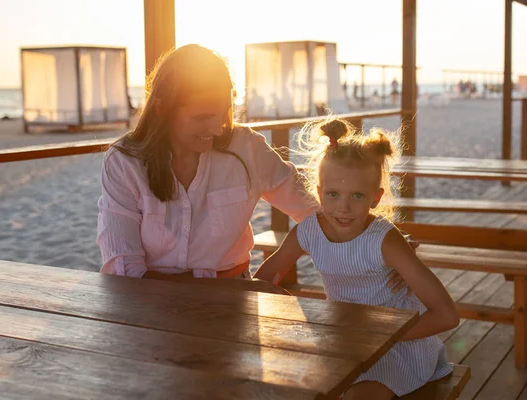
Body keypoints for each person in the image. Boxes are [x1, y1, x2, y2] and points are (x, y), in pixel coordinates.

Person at [96, 44, 414, 293]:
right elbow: (126, 271)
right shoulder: (124, 162)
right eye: (202, 117)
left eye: (223, 113)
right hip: (150, 304)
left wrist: (383, 249)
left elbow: (316, 210)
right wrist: (227, 293)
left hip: (235, 296)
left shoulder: (245, 147)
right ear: (163, 108)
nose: (218, 127)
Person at [253, 117, 458, 399]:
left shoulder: (385, 240)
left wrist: (380, 338)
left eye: (357, 196)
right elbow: (263, 281)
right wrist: (300, 320)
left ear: (376, 198)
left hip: (397, 346)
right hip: (342, 339)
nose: (344, 207)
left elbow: (447, 315)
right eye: (333, 194)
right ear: (319, 192)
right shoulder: (308, 231)